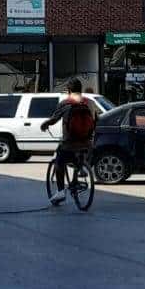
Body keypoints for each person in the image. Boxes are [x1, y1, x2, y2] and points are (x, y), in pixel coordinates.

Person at [39, 77, 98, 205]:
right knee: (79, 157)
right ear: (80, 89)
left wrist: (45, 125)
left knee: (59, 162)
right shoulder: (90, 103)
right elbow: (95, 120)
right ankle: (78, 174)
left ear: (69, 90)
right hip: (87, 143)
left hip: (69, 144)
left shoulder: (65, 103)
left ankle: (60, 191)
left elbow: (54, 119)